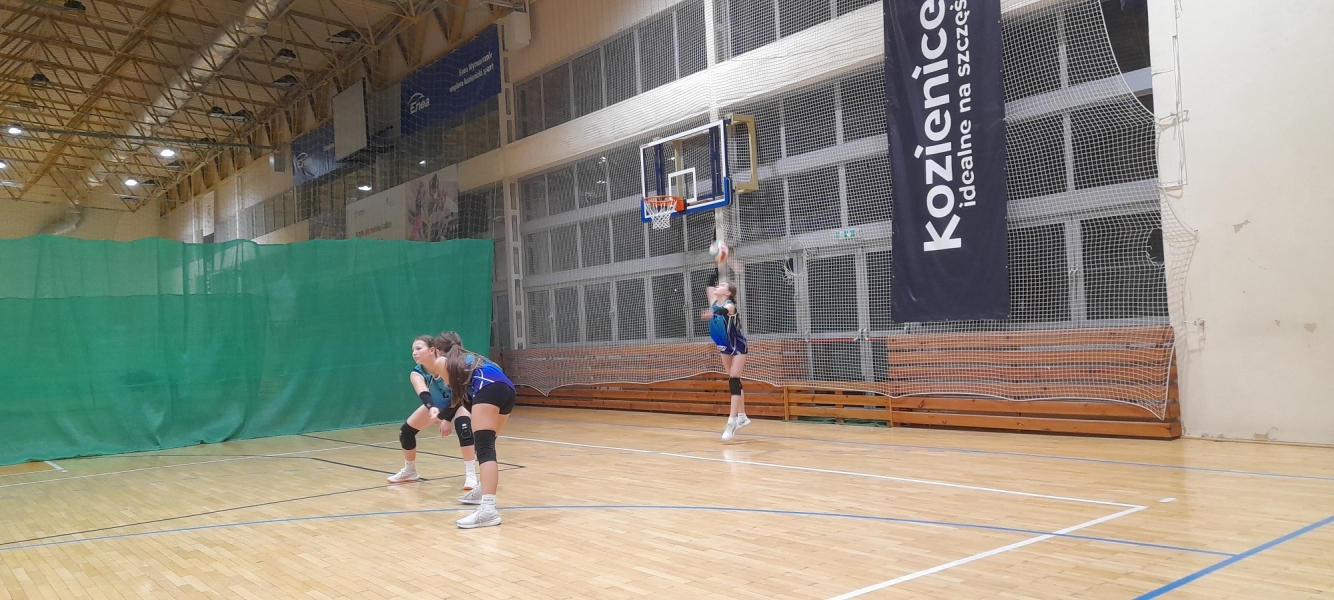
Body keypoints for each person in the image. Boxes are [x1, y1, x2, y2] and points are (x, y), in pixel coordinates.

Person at [426, 335, 516, 529]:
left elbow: (456, 396)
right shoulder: (471, 358)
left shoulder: (442, 362)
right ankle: (483, 489)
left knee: (484, 448)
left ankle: (488, 510)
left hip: (488, 387)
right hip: (507, 390)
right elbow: (465, 399)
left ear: (438, 351)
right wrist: (446, 416)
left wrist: (442, 415)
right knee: (487, 444)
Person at [387, 335, 479, 490]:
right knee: (405, 432)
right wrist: (432, 408)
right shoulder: (417, 373)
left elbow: (460, 395)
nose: (414, 353)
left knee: (463, 426)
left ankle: (471, 474)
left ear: (432, 350)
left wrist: (446, 419)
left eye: (418, 348)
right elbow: (424, 393)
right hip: (439, 405)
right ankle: (410, 471)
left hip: (461, 401)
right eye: (413, 350)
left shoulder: (446, 364)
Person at [701, 279, 750, 441]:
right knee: (734, 381)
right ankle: (742, 416)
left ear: (728, 293)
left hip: (738, 347)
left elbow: (723, 311)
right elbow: (710, 281)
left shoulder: (730, 305)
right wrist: (721, 262)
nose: (718, 286)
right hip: (723, 347)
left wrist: (712, 314)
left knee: (734, 381)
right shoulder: (714, 301)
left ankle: (731, 422)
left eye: (722, 285)